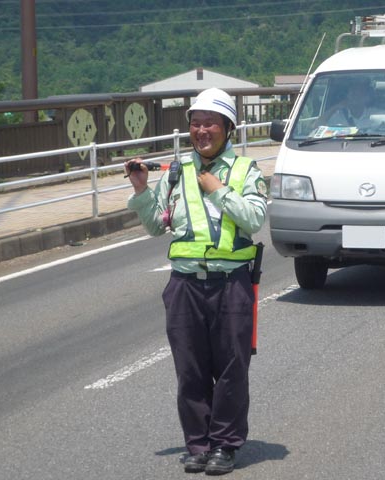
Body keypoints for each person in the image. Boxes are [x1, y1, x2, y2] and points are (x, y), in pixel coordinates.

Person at [124, 87, 268, 475]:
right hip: (185, 286)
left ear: (228, 129)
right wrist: (141, 189)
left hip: (232, 284)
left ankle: (225, 444)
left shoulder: (243, 171)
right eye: (196, 123)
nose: (202, 130)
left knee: (232, 368)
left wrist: (218, 191)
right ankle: (198, 444)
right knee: (190, 369)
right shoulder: (176, 172)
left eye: (211, 123)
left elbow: (254, 219)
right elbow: (157, 226)